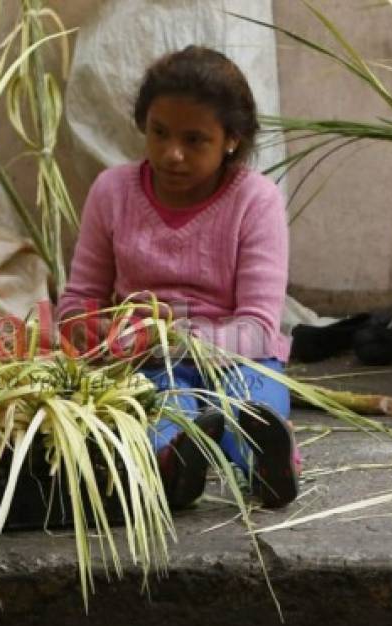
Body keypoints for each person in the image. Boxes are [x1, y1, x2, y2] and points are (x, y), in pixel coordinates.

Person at [58, 46, 298, 510]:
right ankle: (172, 463)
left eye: (195, 140)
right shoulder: (113, 192)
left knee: (252, 407)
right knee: (162, 412)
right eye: (159, 133)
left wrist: (184, 341)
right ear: (143, 124)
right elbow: (77, 305)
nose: (172, 154)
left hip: (239, 359)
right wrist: (110, 336)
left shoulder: (255, 200)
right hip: (142, 364)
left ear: (231, 139)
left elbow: (258, 327)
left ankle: (265, 461)